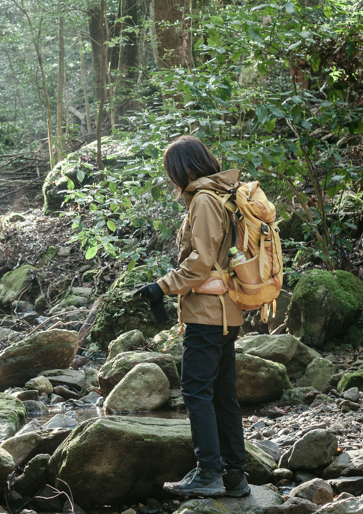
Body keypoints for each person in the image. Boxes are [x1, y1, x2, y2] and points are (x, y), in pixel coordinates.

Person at [137, 135, 250, 499]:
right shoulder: (225, 195)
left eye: (172, 172)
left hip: (207, 315)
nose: (172, 180)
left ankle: (207, 473)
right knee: (222, 394)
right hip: (227, 312)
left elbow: (200, 262)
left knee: (196, 391)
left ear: (185, 168)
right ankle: (235, 476)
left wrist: (161, 286)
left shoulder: (204, 199)